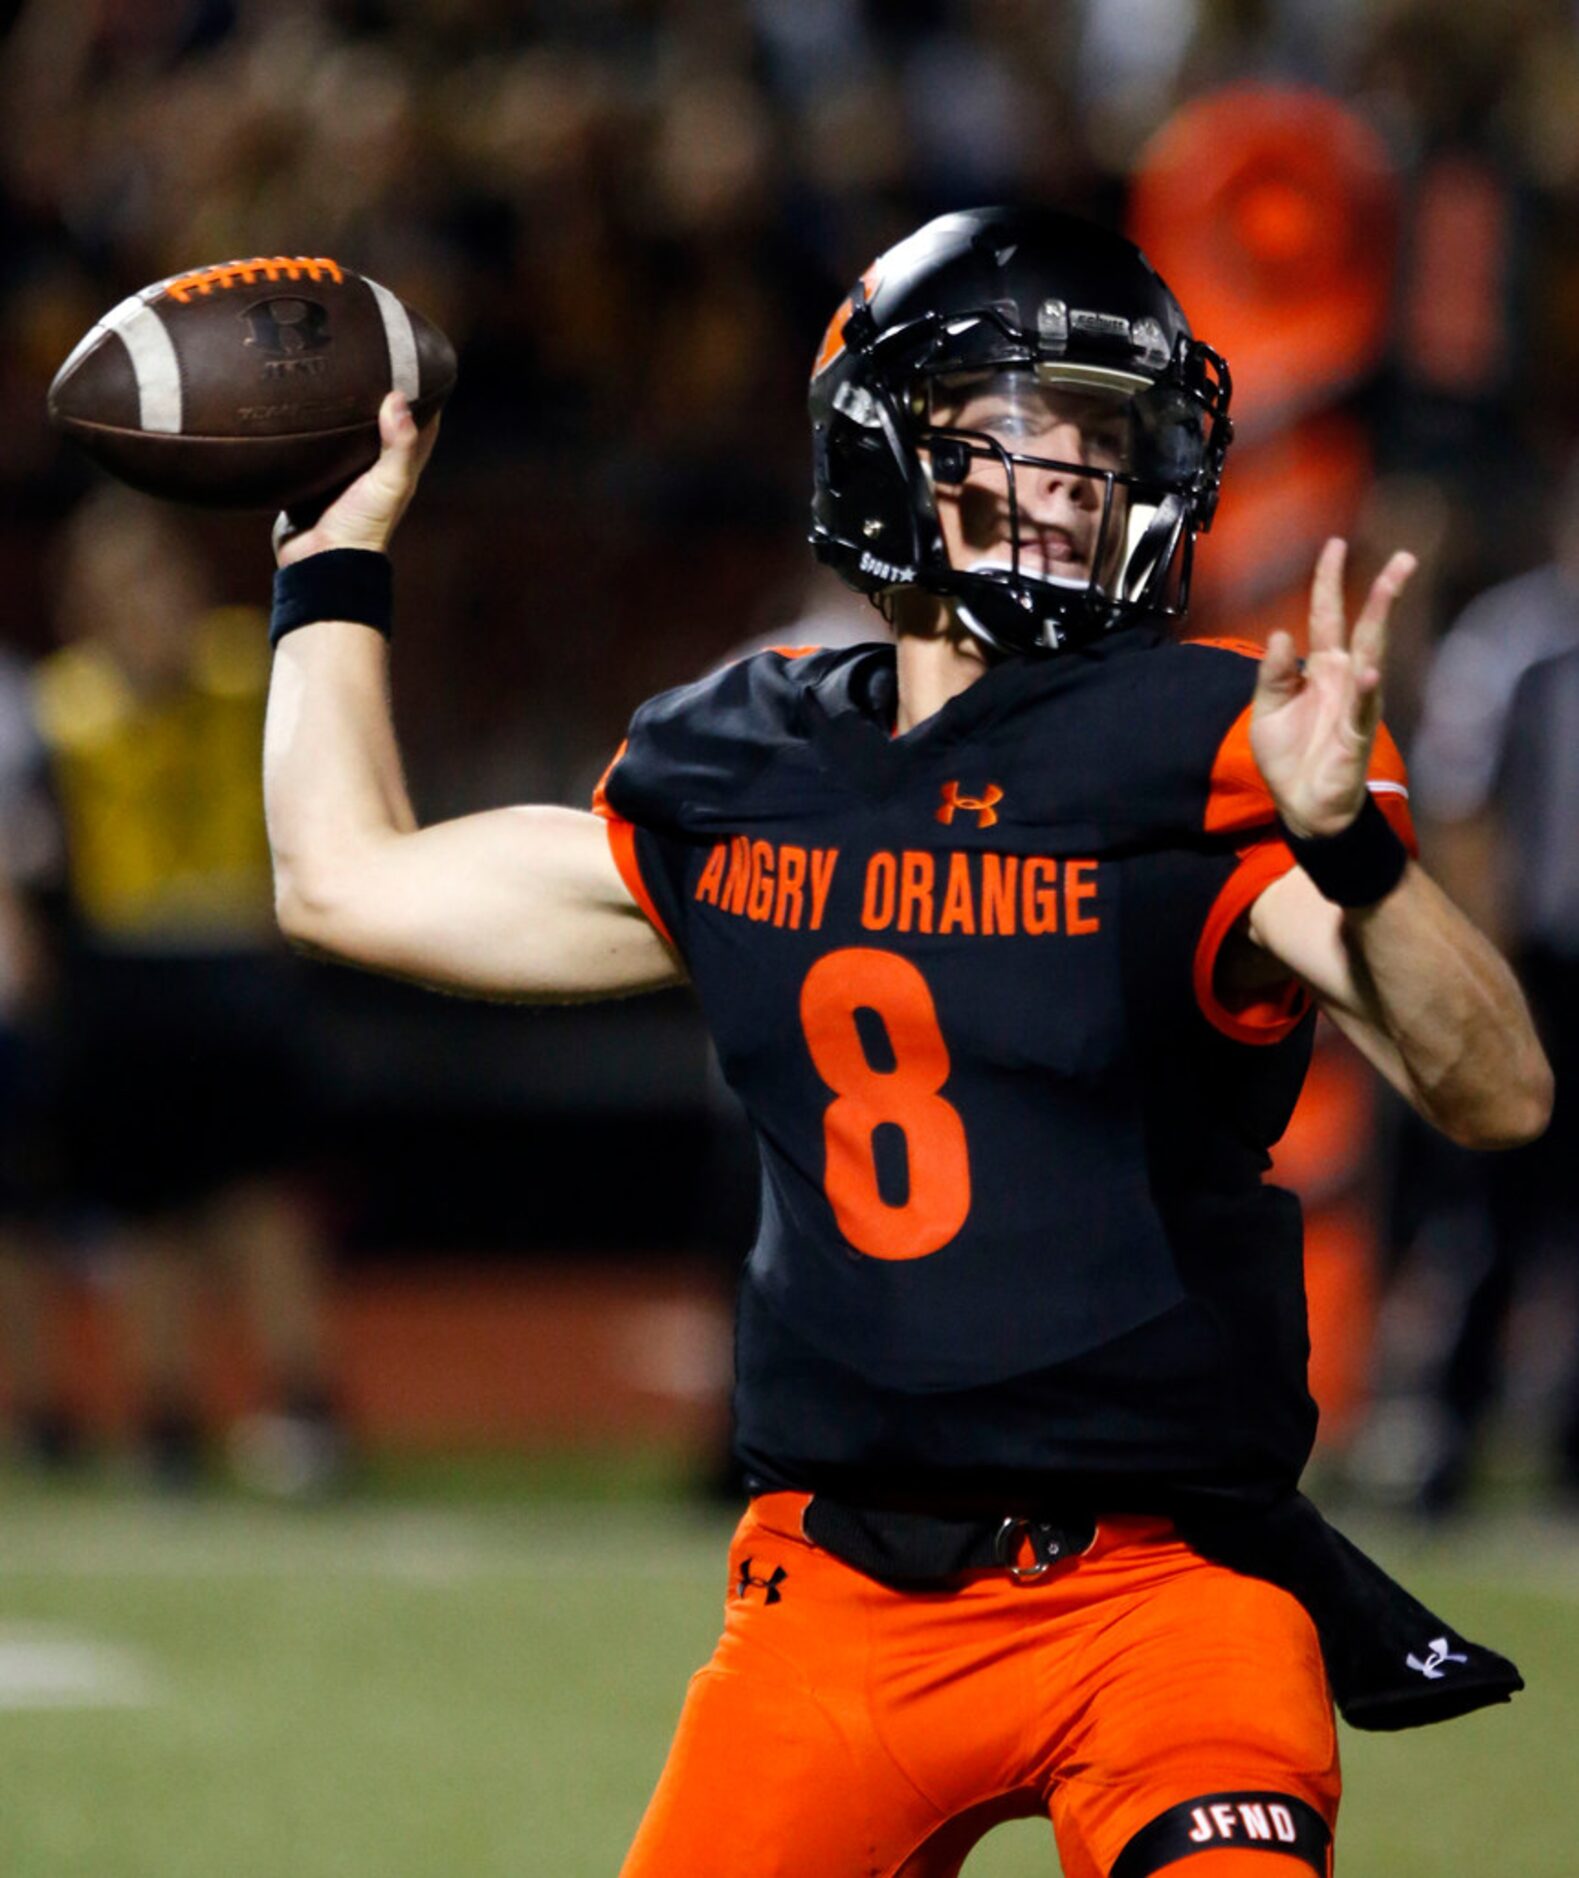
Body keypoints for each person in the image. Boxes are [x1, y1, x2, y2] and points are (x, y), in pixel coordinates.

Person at [262, 209, 1550, 1878]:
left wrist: (1349, 852)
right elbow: (345, 880)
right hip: (835, 1600)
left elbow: (1492, 1083)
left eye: (1108, 436)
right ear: (887, 447)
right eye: (1030, 429)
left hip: (1162, 1594)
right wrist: (326, 559)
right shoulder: (744, 758)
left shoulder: (1203, 743)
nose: (1081, 476)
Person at [32, 489, 348, 1493]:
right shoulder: (64, 705)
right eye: (116, 584)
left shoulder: (241, 669)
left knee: (259, 1203)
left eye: (155, 576)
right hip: (126, 969)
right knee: (146, 1214)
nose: (142, 601)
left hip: (230, 958)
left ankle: (303, 1406)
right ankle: (165, 1419)